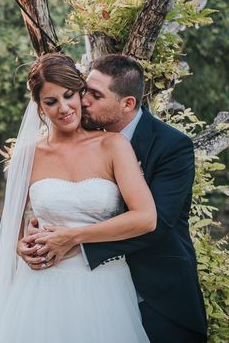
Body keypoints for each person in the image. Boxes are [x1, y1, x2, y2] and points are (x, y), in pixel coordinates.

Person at [20, 54, 208, 342]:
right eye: (84, 91)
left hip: (158, 291)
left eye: (92, 95)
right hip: (63, 284)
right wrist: (29, 241)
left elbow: (157, 222)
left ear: (127, 104)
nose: (81, 103)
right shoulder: (79, 135)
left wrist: (75, 242)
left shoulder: (171, 146)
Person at [0, 53, 156, 342]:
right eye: (51, 102)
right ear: (39, 107)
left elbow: (145, 217)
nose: (64, 108)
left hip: (104, 284)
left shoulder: (113, 146)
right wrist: (21, 247)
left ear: (81, 92)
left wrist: (73, 237)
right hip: (42, 285)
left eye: (69, 95)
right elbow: (12, 225)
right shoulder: (28, 155)